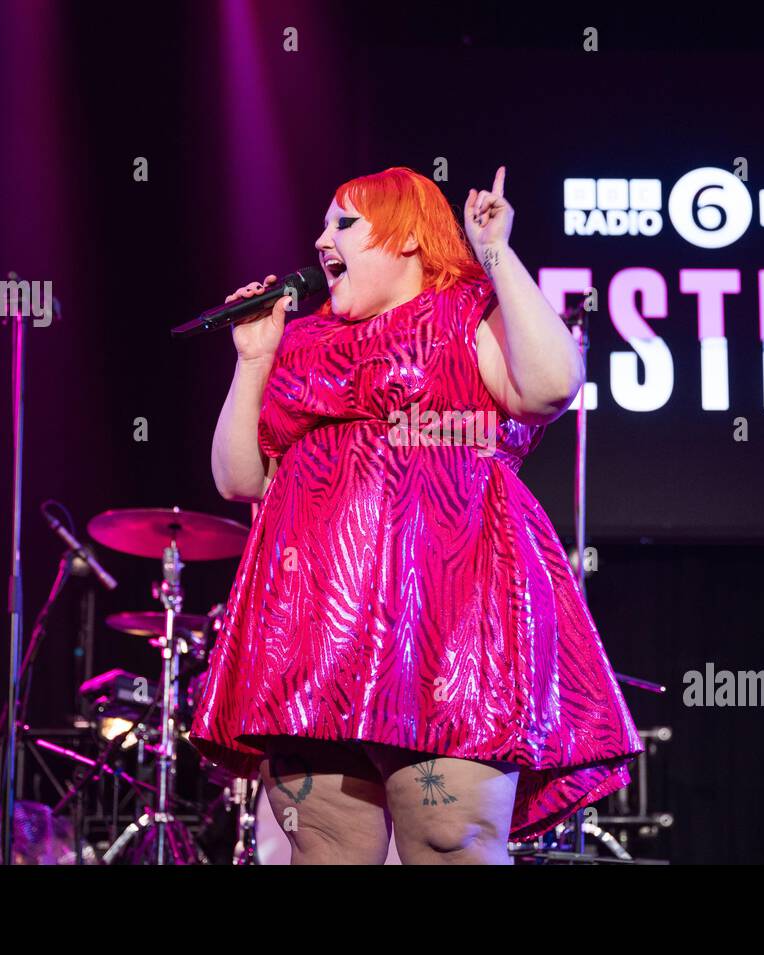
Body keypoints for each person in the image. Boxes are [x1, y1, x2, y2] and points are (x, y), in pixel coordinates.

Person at [189, 165, 641, 864]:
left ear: (405, 236)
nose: (319, 239)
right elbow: (238, 477)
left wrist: (495, 253)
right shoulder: (301, 342)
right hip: (317, 627)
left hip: (455, 618)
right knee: (324, 848)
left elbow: (553, 385)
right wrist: (254, 360)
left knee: (448, 837)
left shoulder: (468, 310)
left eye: (344, 223)